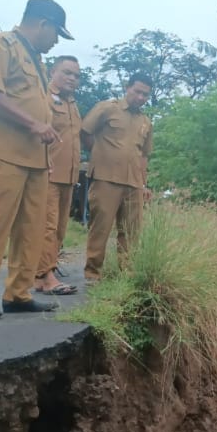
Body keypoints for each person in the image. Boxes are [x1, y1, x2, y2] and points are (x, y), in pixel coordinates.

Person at [0, 0, 71, 320]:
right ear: (43, 24)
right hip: (0, 153)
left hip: (34, 158)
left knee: (31, 230)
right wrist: (35, 123)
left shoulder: (36, 59)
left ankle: (18, 294)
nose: (56, 41)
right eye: (56, 34)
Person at [80, 74, 153, 281]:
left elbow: (144, 155)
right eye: (137, 91)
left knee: (131, 231)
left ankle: (127, 274)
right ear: (127, 87)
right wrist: (98, 154)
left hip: (134, 183)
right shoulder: (107, 108)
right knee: (100, 228)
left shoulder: (145, 121)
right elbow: (85, 131)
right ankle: (93, 274)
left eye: (145, 94)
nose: (140, 97)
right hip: (106, 179)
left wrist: (144, 184)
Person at [34, 56, 82, 295]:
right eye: (67, 72)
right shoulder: (43, 97)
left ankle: (41, 277)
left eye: (76, 75)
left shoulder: (72, 103)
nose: (72, 78)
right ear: (53, 71)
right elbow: (35, 130)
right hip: (49, 174)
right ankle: (47, 275)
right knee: (47, 227)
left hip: (69, 176)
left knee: (60, 228)